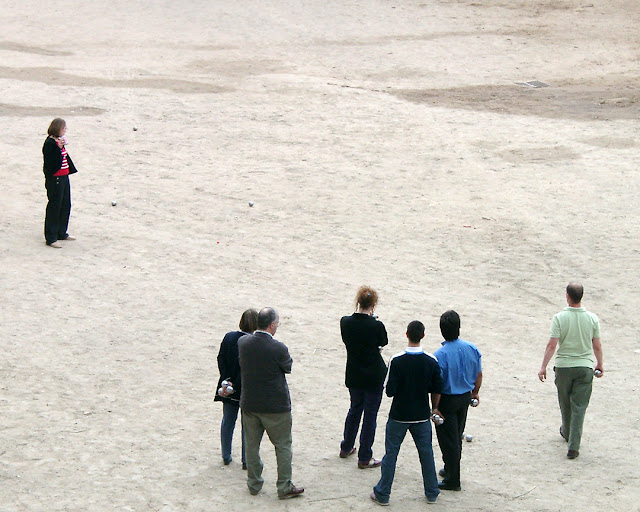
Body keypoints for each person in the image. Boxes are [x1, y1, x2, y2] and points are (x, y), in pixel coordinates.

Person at [371, 321, 444, 506]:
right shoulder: (431, 361)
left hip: (399, 414)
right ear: (423, 335)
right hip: (421, 414)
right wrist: (434, 408)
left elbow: (389, 391)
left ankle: (383, 492)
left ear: (406, 334)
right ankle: (432, 492)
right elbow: (437, 388)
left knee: (391, 454)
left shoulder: (396, 360)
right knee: (426, 453)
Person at [238, 307, 304, 499]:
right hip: (276, 407)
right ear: (272, 325)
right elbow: (288, 367)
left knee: (251, 445)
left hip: (250, 404)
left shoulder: (243, 343)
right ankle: (284, 486)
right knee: (282, 445)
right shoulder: (279, 348)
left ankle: (254, 482)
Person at [538, 282, 604, 459]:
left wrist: (543, 366)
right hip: (584, 366)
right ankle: (574, 445)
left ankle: (567, 432)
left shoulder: (559, 318)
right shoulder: (592, 318)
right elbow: (596, 345)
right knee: (579, 407)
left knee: (565, 403)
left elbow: (552, 345)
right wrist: (599, 364)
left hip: (564, 367)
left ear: (567, 296)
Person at [339, 286, 388, 469]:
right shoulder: (376, 326)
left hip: (354, 373)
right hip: (374, 375)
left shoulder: (345, 322)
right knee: (370, 415)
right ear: (373, 305)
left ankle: (347, 446)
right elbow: (383, 342)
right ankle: (364, 456)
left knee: (354, 409)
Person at [434, 310, 482, 491]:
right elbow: (479, 374)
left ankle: (453, 479)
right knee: (457, 436)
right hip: (464, 398)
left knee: (448, 440)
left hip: (447, 400)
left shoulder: (440, 355)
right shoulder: (471, 348)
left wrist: (435, 407)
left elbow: (438, 386)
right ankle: (449, 469)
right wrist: (475, 393)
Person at [214, 308, 258, 468]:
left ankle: (226, 455)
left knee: (228, 421)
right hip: (245, 389)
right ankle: (246, 460)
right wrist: (237, 383)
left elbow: (221, 358)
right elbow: (248, 368)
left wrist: (226, 380)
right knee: (247, 426)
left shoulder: (229, 337)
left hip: (227, 387)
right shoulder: (252, 343)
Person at [43, 118, 78, 248]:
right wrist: (58, 148)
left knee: (65, 204)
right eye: (63, 128)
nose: (65, 131)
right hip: (55, 179)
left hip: (64, 177)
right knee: (55, 206)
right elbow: (51, 163)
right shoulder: (49, 144)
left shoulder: (59, 142)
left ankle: (61, 232)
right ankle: (51, 237)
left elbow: (64, 157)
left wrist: (62, 146)